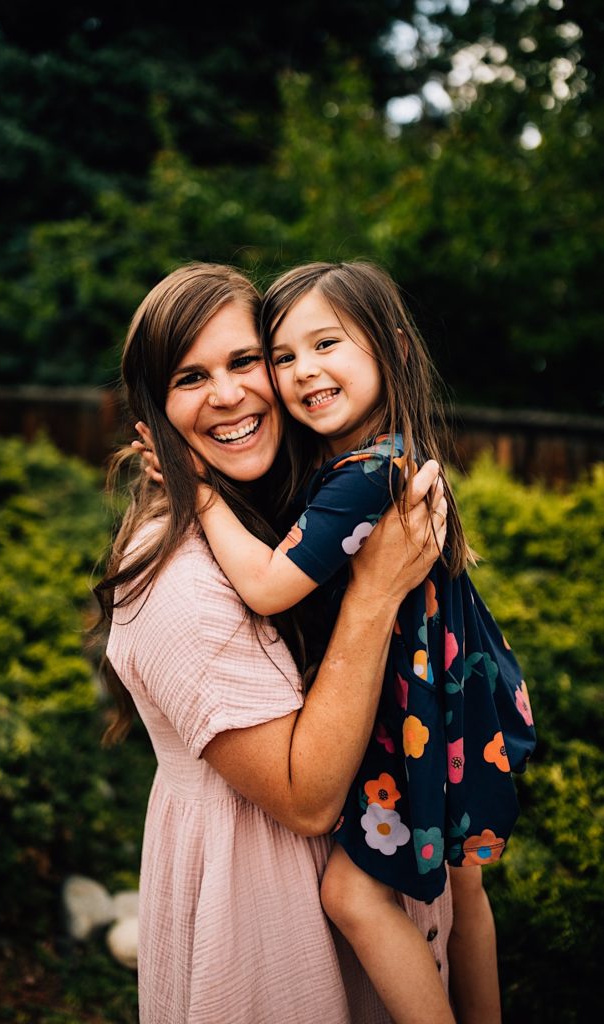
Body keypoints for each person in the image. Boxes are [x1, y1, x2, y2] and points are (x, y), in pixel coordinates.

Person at [96, 263, 452, 1024]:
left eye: (245, 361)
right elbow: (305, 797)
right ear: (152, 411)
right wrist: (376, 592)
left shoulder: (303, 506)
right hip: (259, 919)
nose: (228, 395)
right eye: (190, 377)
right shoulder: (178, 581)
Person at [182, 261, 537, 1024]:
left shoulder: (365, 476)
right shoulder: (376, 457)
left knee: (351, 892)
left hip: (416, 710)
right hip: (455, 699)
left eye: (326, 344)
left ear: (395, 350)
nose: (303, 370)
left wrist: (201, 495)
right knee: (463, 883)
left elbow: (269, 587)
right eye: (282, 356)